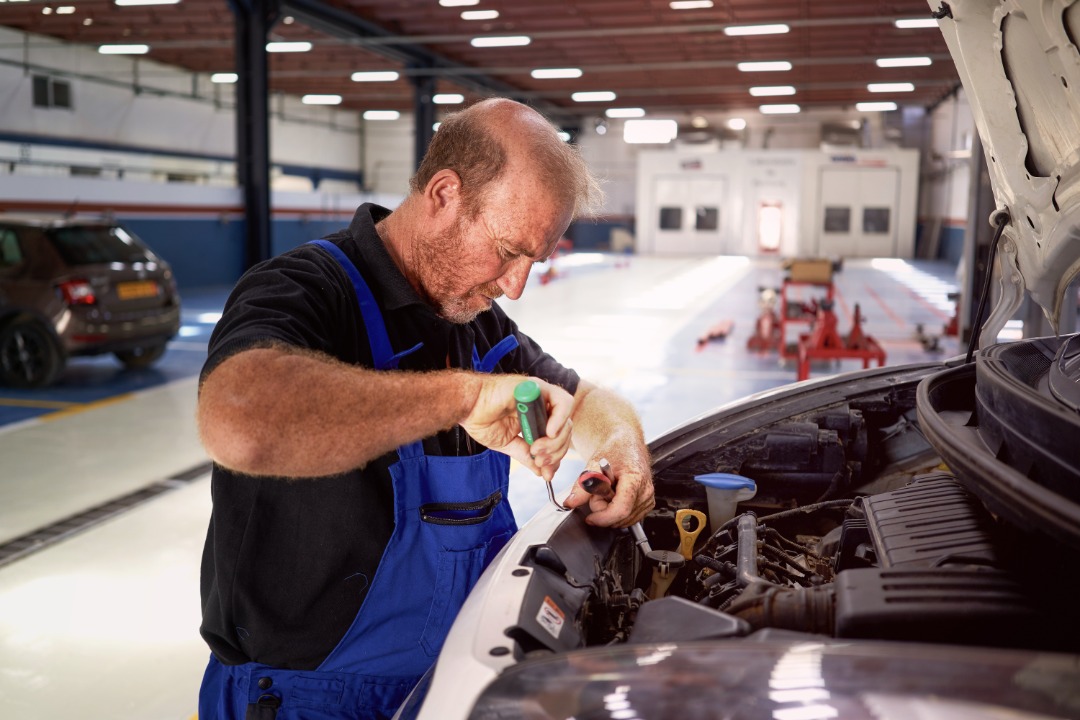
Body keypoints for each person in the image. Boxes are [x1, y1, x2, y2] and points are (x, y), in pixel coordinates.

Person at [195, 97, 655, 720]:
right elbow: (239, 421)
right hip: (304, 700)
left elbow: (588, 400)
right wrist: (463, 397)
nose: (516, 285)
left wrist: (621, 448)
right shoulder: (305, 290)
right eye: (508, 249)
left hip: (449, 680)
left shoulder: (478, 324)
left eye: (536, 261)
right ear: (443, 194)